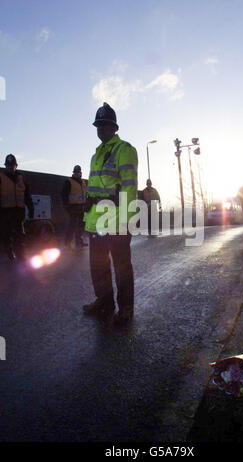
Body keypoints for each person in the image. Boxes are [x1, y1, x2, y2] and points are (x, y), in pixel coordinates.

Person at [83, 102, 138, 325]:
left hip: (117, 221)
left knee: (121, 266)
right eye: (98, 125)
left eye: (105, 125)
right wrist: (86, 220)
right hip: (96, 222)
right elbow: (92, 192)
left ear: (114, 128)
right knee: (98, 265)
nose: (101, 129)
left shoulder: (125, 150)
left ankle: (125, 308)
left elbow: (129, 187)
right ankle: (104, 301)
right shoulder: (95, 155)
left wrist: (126, 220)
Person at [0, 154, 34, 261]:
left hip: (19, 212)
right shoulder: (1, 178)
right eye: (8, 165)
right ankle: (10, 253)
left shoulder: (22, 179)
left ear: (16, 166)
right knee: (6, 235)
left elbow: (27, 196)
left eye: (12, 165)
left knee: (20, 235)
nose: (10, 167)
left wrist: (31, 208)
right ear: (5, 166)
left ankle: (21, 255)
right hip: (5, 212)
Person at [61, 165, 87, 250]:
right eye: (76, 172)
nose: (78, 173)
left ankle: (79, 241)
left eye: (79, 172)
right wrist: (67, 208)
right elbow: (64, 196)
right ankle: (67, 243)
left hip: (82, 207)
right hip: (73, 207)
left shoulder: (83, 182)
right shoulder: (69, 182)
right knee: (72, 226)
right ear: (74, 172)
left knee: (80, 226)